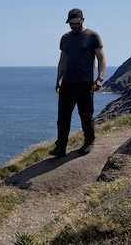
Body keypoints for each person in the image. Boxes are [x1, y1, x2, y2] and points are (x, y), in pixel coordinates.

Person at [50, 8, 106, 157]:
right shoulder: (65, 38)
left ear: (82, 20)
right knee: (63, 117)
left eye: (76, 23)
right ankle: (61, 147)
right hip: (68, 83)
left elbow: (101, 58)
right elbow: (62, 60)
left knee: (86, 115)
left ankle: (89, 142)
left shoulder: (92, 36)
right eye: (71, 23)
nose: (74, 26)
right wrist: (58, 80)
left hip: (85, 83)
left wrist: (99, 79)